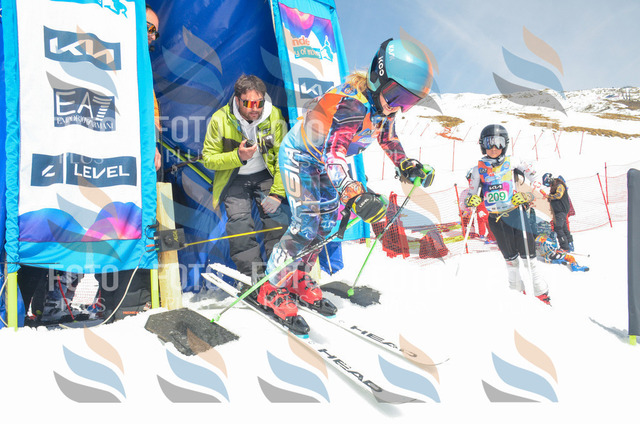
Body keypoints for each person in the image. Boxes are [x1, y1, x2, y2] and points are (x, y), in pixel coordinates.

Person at [261, 38, 436, 320]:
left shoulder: (384, 105)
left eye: (408, 102)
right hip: (301, 157)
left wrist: (405, 164)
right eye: (396, 97)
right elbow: (334, 153)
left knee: (327, 224)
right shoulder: (351, 105)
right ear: (378, 77)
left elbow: (388, 138)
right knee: (306, 224)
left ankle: (299, 276)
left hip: (324, 163)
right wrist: (353, 192)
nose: (397, 107)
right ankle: (271, 286)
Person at [202, 75, 288, 282]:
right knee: (239, 227)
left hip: (266, 176)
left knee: (277, 222)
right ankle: (254, 280)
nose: (255, 108)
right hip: (235, 179)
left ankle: (280, 276)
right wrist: (238, 156)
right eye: (248, 103)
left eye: (259, 103)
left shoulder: (274, 115)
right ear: (237, 100)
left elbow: (284, 158)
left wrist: (277, 194)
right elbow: (208, 159)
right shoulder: (219, 119)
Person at [465, 124, 551, 305]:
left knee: (529, 259)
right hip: (496, 219)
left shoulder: (513, 161)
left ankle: (541, 292)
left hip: (516, 215)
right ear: (482, 145)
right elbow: (470, 194)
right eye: (489, 143)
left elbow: (537, 178)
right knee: (510, 261)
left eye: (498, 142)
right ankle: (516, 294)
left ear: (505, 144)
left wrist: (527, 195)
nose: (493, 147)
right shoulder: (477, 169)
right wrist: (471, 200)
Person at [460, 168, 495, 243]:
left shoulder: (481, 180)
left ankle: (493, 237)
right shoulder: (474, 181)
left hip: (484, 200)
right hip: (479, 201)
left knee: (486, 219)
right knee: (480, 219)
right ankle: (482, 233)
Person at [542, 173, 574, 252]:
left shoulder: (559, 185)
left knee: (558, 228)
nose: (549, 186)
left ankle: (564, 247)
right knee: (564, 227)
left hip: (561, 210)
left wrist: (549, 196)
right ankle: (570, 244)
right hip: (559, 210)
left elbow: (559, 195)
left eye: (548, 184)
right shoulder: (554, 186)